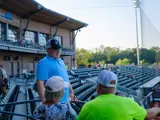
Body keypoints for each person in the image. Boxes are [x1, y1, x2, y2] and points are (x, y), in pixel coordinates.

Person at [78, 70, 160, 120]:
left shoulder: (86, 107)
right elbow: (149, 115)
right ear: (115, 88)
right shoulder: (127, 102)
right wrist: (157, 109)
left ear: (97, 87)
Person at [36, 39, 77, 103]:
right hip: (55, 103)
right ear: (48, 49)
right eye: (55, 49)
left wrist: (71, 92)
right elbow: (40, 84)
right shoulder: (43, 63)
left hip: (66, 101)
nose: (58, 51)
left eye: (59, 49)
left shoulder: (61, 61)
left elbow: (66, 80)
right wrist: (45, 102)